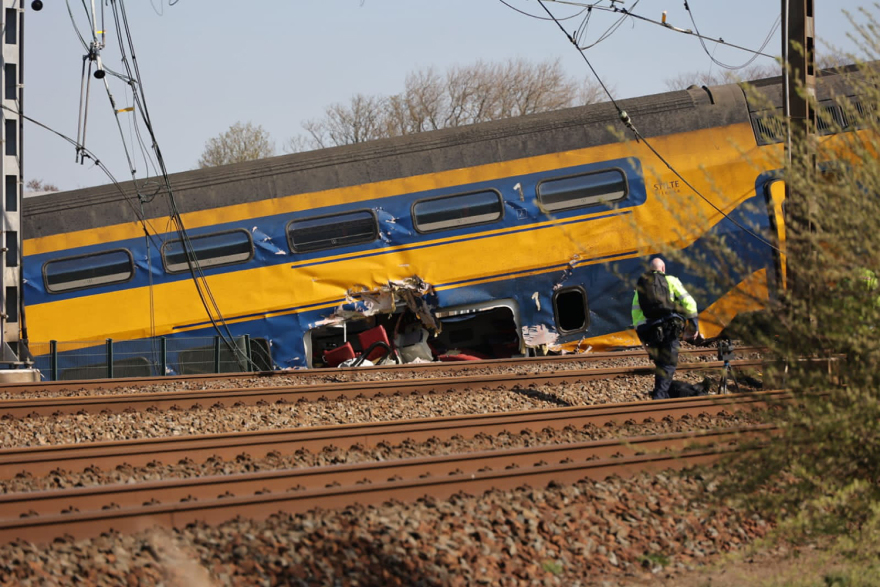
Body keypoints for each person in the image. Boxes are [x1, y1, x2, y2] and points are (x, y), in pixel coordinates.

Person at [631, 258, 701, 400]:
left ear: (650, 270)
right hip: (670, 328)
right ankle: (659, 398)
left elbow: (635, 314)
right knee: (668, 365)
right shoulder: (671, 280)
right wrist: (693, 328)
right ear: (663, 269)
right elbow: (690, 303)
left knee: (661, 365)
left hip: (650, 332)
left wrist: (643, 339)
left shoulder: (641, 286)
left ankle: (664, 395)